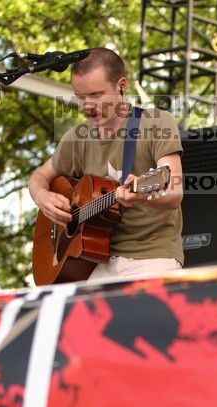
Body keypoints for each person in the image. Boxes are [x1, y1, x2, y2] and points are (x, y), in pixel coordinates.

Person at [28, 47, 184, 281]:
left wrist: (141, 196)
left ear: (121, 85)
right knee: (72, 316)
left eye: (96, 95)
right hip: (98, 261)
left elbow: (174, 191)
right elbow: (39, 177)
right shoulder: (77, 137)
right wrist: (42, 197)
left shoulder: (156, 123)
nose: (87, 105)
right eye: (80, 97)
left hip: (152, 256)